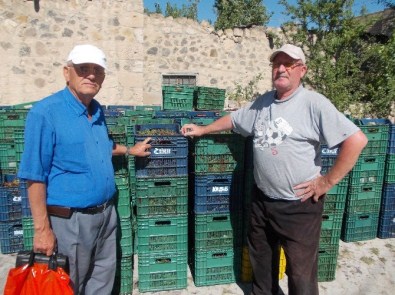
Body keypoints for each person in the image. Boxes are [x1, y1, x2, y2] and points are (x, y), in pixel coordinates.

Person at [181, 44, 368, 295]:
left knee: (300, 274)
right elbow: (235, 119)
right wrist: (203, 129)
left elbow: (356, 140)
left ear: (302, 70)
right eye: (276, 64)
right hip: (263, 201)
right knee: (262, 264)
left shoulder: (314, 104)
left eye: (288, 64)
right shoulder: (263, 102)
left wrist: (326, 182)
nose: (281, 69)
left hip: (299, 206)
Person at [17, 44, 151, 294]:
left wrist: (129, 150)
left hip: (106, 216)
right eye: (83, 69)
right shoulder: (45, 113)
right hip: (70, 222)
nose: (91, 75)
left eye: (97, 70)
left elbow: (101, 146)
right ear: (67, 72)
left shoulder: (96, 110)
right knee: (68, 285)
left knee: (101, 282)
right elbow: (34, 175)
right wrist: (42, 230)